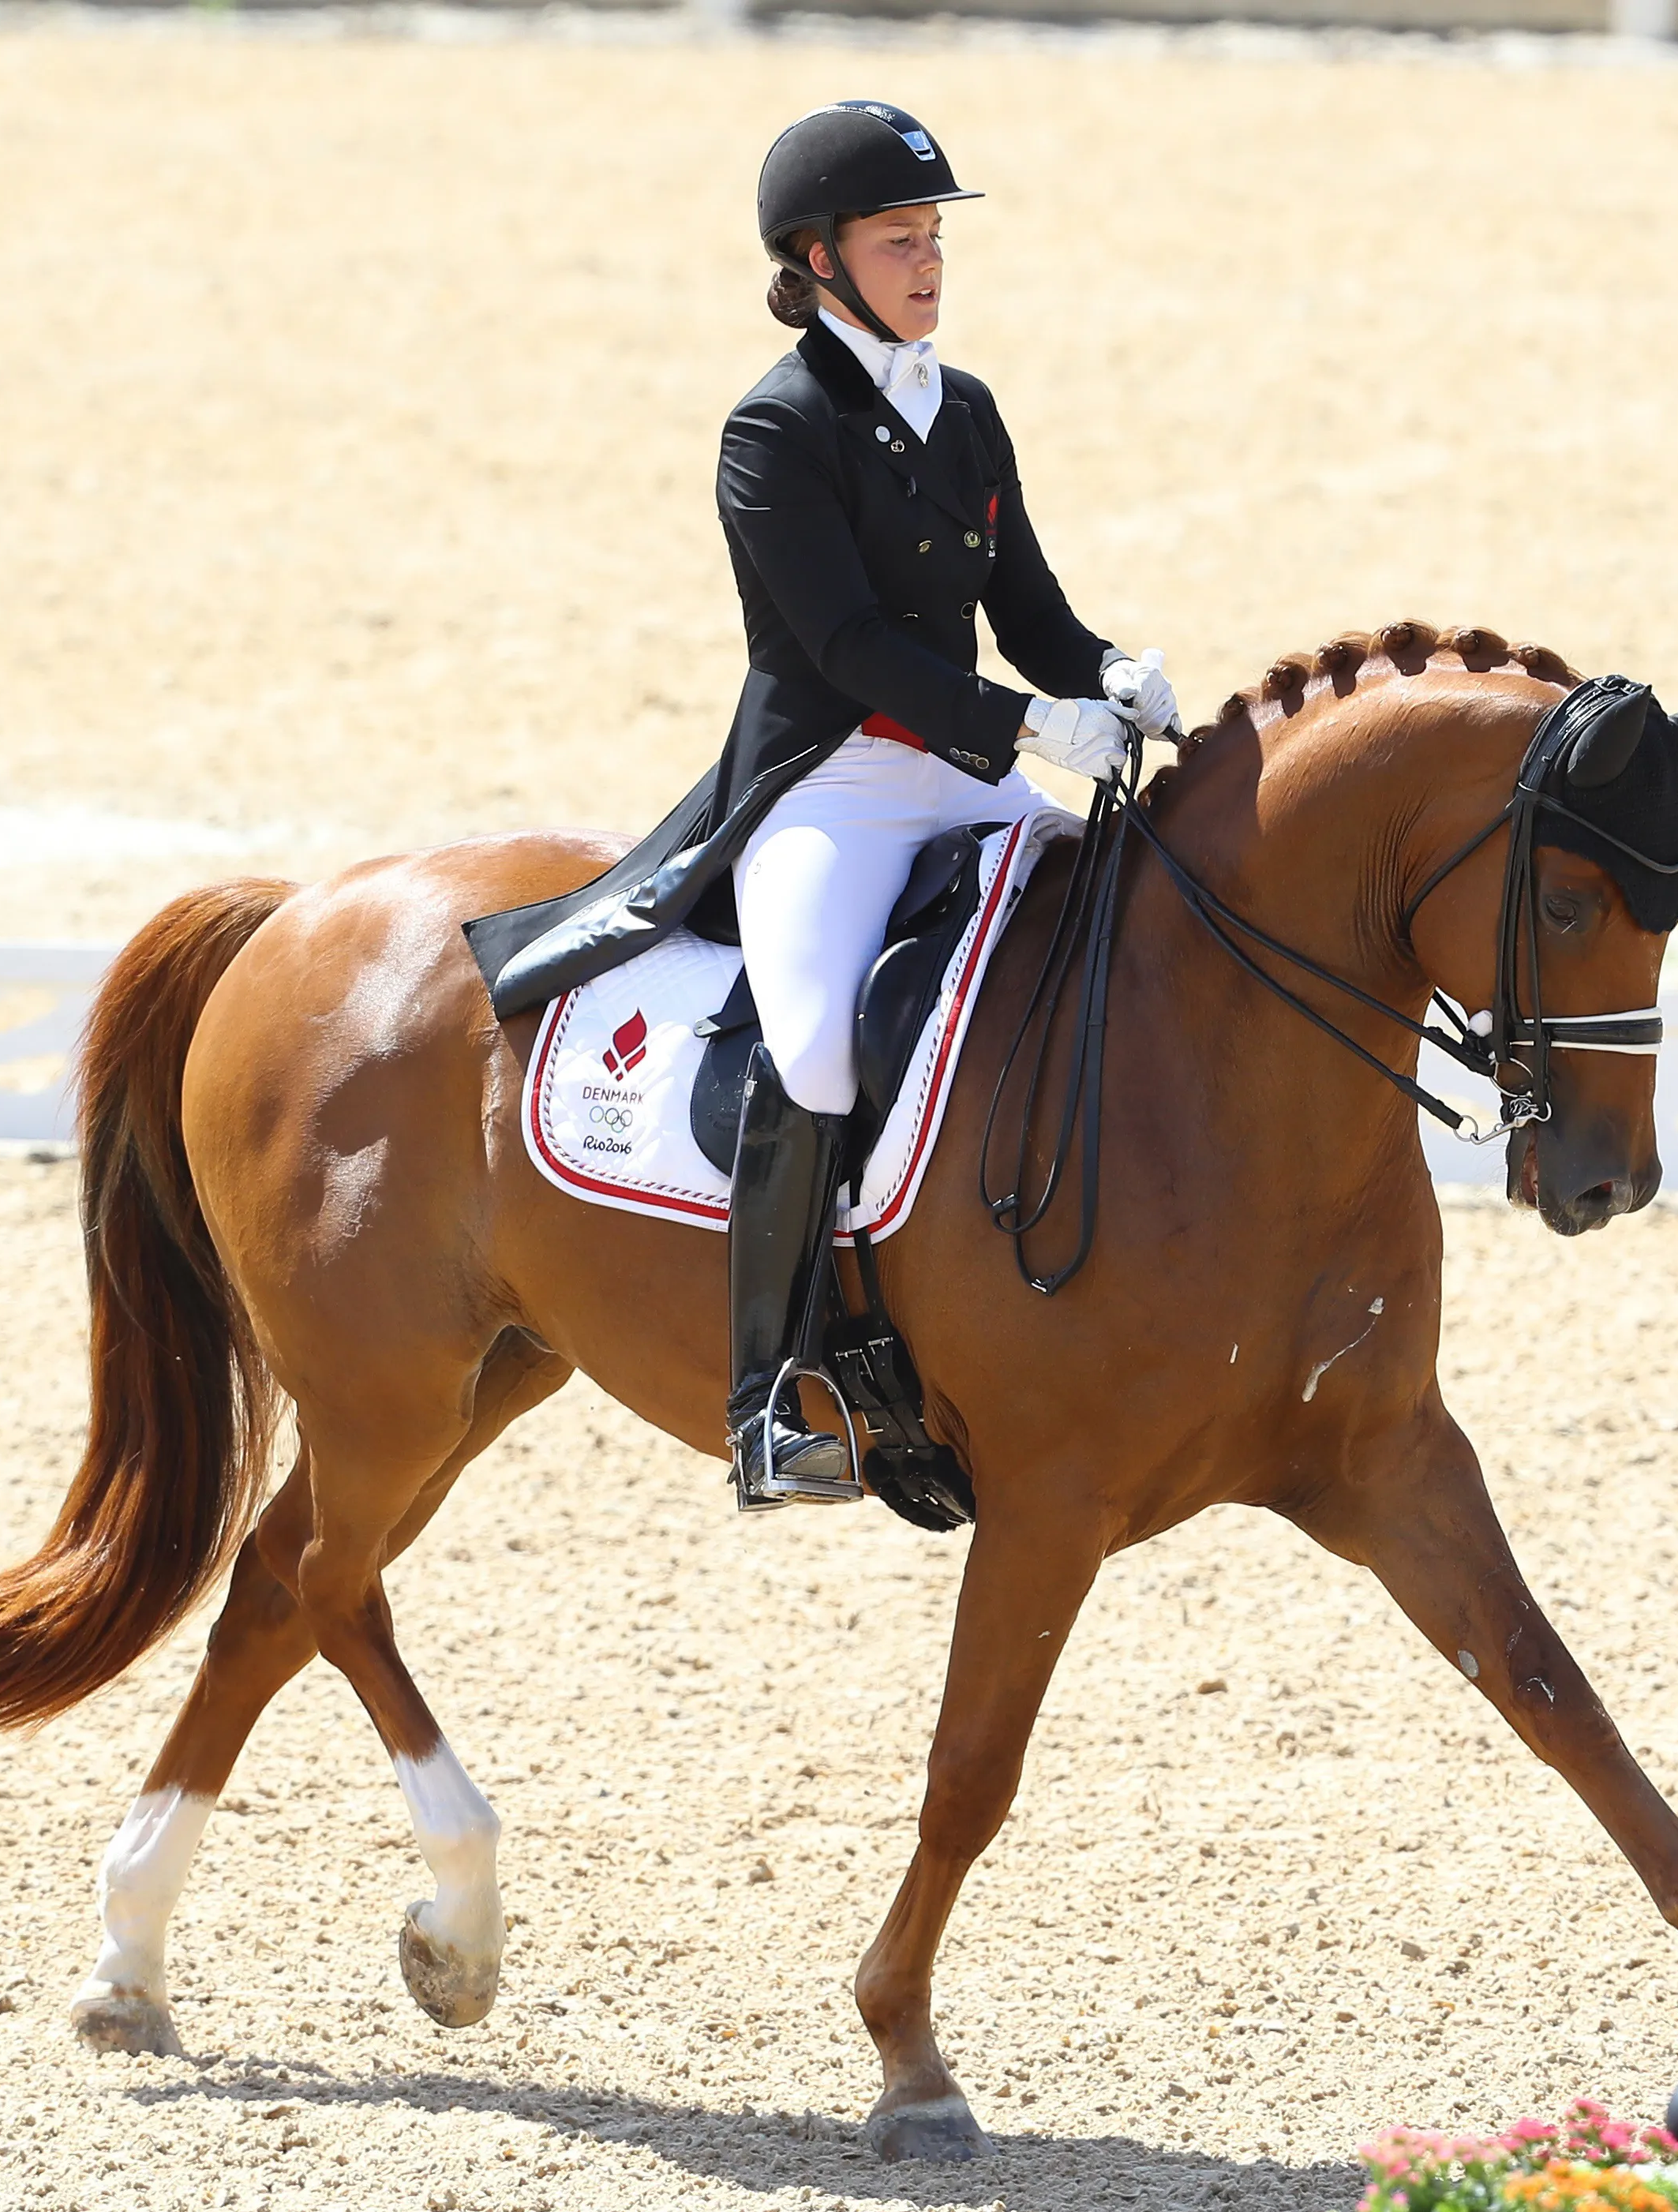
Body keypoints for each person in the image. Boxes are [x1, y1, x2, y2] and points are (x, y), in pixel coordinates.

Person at [463, 99, 1179, 1511]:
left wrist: (1106, 671)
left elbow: (1029, 610)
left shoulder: (963, 410)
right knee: (812, 1053)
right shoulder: (776, 429)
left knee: (1112, 954)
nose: (929, 263)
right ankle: (768, 1399)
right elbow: (848, 647)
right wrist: (1029, 724)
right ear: (818, 258)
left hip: (966, 780)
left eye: (934, 239)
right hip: (831, 790)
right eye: (899, 240)